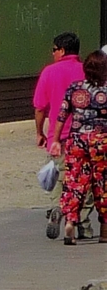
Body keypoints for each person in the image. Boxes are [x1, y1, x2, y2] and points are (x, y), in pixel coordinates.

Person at [48, 49, 107, 245]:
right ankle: (105, 230)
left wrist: (56, 139)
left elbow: (62, 115)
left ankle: (70, 225)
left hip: (77, 140)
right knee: (102, 184)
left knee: (74, 181)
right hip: (102, 141)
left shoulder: (75, 88)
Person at [34, 32, 89, 240]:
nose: (52, 53)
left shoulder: (49, 72)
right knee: (85, 179)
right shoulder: (87, 71)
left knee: (58, 176)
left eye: (54, 49)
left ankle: (58, 208)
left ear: (62, 50)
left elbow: (40, 107)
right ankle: (82, 222)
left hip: (58, 137)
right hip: (86, 135)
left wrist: (39, 132)